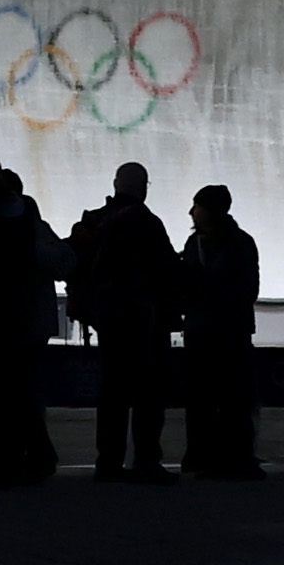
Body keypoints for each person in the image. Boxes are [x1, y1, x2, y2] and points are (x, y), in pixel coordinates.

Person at [70, 162, 177, 481]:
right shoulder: (147, 223)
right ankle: (145, 459)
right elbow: (167, 270)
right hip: (143, 320)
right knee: (147, 391)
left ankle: (108, 461)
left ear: (116, 184)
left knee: (112, 391)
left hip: (106, 317)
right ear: (143, 187)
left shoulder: (95, 220)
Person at [0, 158, 58, 483]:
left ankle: (11, 463)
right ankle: (29, 457)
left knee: (5, 393)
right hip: (26, 316)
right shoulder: (25, 224)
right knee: (20, 392)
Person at [176, 181, 262, 478]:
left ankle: (204, 457)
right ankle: (234, 457)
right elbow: (247, 289)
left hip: (208, 331)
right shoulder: (241, 243)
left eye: (197, 206)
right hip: (229, 331)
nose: (192, 212)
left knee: (206, 399)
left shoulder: (196, 245)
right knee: (233, 399)